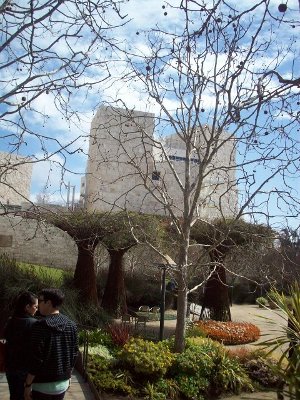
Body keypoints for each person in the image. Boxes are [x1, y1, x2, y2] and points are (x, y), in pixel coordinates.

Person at [24, 288, 78, 400]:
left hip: (42, 385)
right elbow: (74, 354)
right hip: (63, 384)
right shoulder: (72, 325)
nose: (38, 304)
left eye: (41, 300)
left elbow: (36, 359)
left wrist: (28, 384)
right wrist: (69, 376)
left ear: (48, 303)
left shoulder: (40, 327)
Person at [4, 291, 38, 400]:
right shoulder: (34, 324)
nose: (36, 309)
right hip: (26, 369)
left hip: (11, 366)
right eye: (35, 306)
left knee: (14, 395)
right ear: (27, 307)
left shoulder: (10, 321)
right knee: (26, 396)